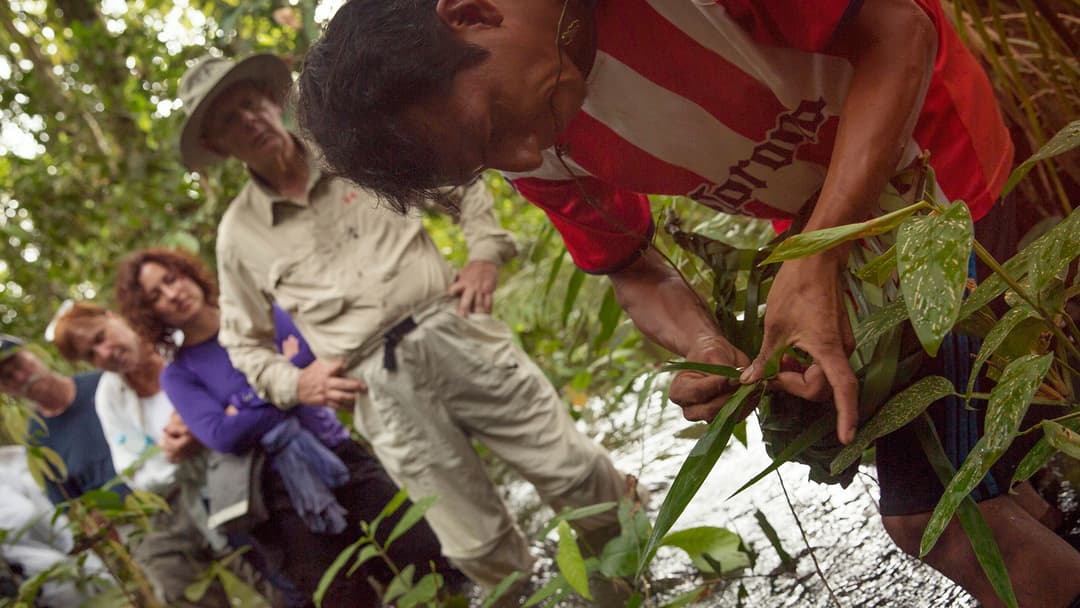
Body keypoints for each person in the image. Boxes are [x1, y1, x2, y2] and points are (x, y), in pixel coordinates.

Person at [293, 1, 1080, 606]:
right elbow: (630, 266)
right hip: (841, 234)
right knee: (987, 475)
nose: (525, 154)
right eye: (487, 159)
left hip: (937, 171)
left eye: (496, 124)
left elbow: (898, 30)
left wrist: (819, 256)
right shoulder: (534, 142)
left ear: (472, 12)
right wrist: (707, 349)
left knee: (937, 521)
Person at [175, 52, 636, 600]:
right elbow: (243, 341)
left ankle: (637, 584)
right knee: (476, 543)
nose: (249, 120)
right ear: (219, 146)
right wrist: (297, 383)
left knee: (578, 472)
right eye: (229, 119)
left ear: (272, 101)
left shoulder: (351, 145)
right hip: (377, 384)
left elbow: (460, 174)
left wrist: (484, 252)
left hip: (453, 329)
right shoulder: (238, 235)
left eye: (251, 103)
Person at [113, 246, 461, 607]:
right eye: (156, 296)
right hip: (279, 501)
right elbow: (223, 435)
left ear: (188, 274)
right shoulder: (179, 374)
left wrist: (242, 404)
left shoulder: (262, 318)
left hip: (339, 456)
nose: (172, 294)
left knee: (427, 561)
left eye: (171, 279)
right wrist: (287, 381)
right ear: (151, 313)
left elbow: (314, 361)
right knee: (342, 597)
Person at [51, 302, 286, 608]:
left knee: (281, 577)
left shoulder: (182, 345)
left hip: (251, 471)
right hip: (191, 503)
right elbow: (134, 472)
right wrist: (174, 454)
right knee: (190, 581)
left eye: (101, 337)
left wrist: (203, 429)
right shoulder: (110, 397)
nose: (104, 353)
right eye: (91, 355)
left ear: (113, 316)